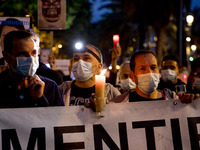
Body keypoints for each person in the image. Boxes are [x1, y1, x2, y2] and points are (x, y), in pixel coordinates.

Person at [0, 30, 64, 108]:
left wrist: (40, 99)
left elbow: (57, 119)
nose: (30, 59)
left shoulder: (50, 87)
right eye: (22, 54)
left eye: (33, 53)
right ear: (6, 57)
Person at [111, 50, 178, 103]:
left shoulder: (173, 99)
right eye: (142, 69)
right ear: (133, 76)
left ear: (159, 71)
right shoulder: (118, 104)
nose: (149, 72)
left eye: (153, 67)